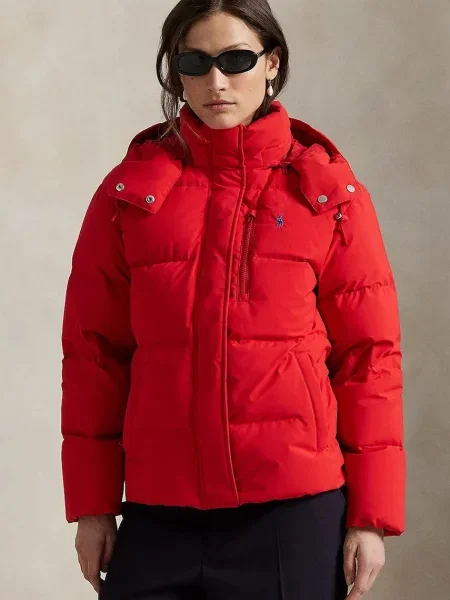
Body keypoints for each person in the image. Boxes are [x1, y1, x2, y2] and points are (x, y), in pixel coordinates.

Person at [60, 1, 406, 598]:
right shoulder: (129, 196)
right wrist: (92, 507)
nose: (215, 81)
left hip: (293, 515)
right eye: (195, 62)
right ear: (176, 72)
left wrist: (370, 517)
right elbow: (94, 356)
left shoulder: (328, 194)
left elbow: (369, 358)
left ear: (272, 63)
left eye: (236, 60)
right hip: (159, 513)